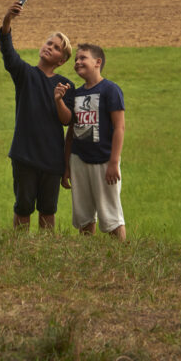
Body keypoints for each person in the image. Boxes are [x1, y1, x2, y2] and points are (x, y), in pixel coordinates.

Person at [0, 0, 75, 231]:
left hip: (52, 160)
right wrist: (7, 21)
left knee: (48, 211)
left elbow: (67, 121)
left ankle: (44, 255)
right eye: (48, 43)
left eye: (56, 47)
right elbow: (9, 54)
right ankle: (18, 252)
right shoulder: (25, 74)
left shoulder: (66, 85)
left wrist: (59, 100)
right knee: (22, 208)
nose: (49, 47)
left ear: (61, 60)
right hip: (24, 155)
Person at [56, 43, 126, 240]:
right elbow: (71, 131)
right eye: (76, 59)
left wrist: (114, 162)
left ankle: (121, 257)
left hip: (104, 161)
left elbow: (119, 127)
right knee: (84, 215)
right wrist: (67, 165)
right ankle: (88, 257)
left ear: (98, 62)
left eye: (83, 58)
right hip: (79, 160)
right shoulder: (77, 94)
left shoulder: (110, 90)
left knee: (111, 215)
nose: (77, 62)